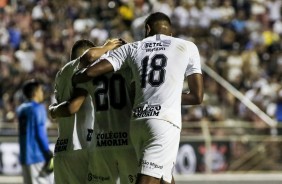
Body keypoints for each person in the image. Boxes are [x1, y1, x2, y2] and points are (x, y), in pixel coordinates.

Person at [72, 12, 203, 184]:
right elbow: (197, 96)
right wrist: (166, 95)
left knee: (165, 178)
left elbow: (90, 72)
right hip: (164, 123)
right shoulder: (187, 46)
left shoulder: (132, 48)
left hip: (137, 122)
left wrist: (76, 76)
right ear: (170, 33)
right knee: (149, 178)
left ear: (147, 29)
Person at [51, 39, 138, 184]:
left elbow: (66, 107)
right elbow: (73, 106)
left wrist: (53, 111)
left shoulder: (61, 73)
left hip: (61, 150)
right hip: (84, 146)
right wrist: (107, 47)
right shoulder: (89, 71)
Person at [16, 79, 53, 184]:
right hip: (37, 155)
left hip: (25, 155)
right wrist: (47, 152)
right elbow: (39, 133)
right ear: (35, 92)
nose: (42, 93)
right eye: (40, 90)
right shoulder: (38, 108)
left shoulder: (21, 109)